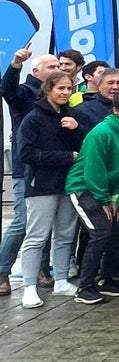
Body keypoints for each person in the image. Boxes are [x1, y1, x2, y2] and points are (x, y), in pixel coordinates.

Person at [66, 92, 119, 304]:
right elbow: (93, 169)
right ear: (116, 110)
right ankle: (84, 286)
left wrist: (116, 196)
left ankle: (107, 278)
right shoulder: (101, 133)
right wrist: (104, 199)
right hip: (84, 187)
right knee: (101, 233)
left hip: (113, 189)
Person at [15, 71, 82, 306]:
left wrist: (76, 129)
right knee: (37, 237)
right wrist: (66, 157)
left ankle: (61, 280)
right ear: (48, 90)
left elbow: (82, 148)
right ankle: (29, 287)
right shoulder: (33, 118)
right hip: (41, 185)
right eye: (60, 88)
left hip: (67, 184)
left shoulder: (70, 117)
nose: (65, 93)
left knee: (65, 235)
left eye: (69, 89)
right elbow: (26, 153)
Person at [0, 49, 61, 295]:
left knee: (46, 222)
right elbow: (7, 90)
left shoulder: (61, 94)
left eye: (59, 66)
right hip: (26, 168)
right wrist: (16, 64)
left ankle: (42, 269)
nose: (57, 69)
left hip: (52, 166)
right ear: (36, 72)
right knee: (23, 221)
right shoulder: (25, 92)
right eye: (51, 67)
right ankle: (3, 270)